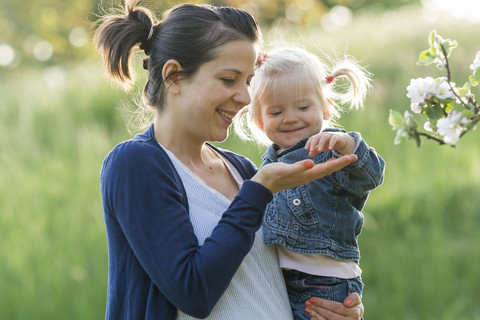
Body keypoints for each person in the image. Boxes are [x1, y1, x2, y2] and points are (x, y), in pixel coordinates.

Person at [94, 1, 364, 319]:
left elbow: (268, 285)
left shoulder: (242, 171)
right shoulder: (135, 164)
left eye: (248, 80)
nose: (246, 98)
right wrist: (259, 189)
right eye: (228, 79)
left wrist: (332, 306)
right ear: (174, 77)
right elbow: (193, 291)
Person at [234, 47, 385, 319]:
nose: (290, 117)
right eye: (276, 111)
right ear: (260, 120)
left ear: (325, 108)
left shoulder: (329, 150)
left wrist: (348, 145)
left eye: (303, 107)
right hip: (282, 283)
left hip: (325, 284)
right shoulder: (264, 169)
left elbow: (371, 176)